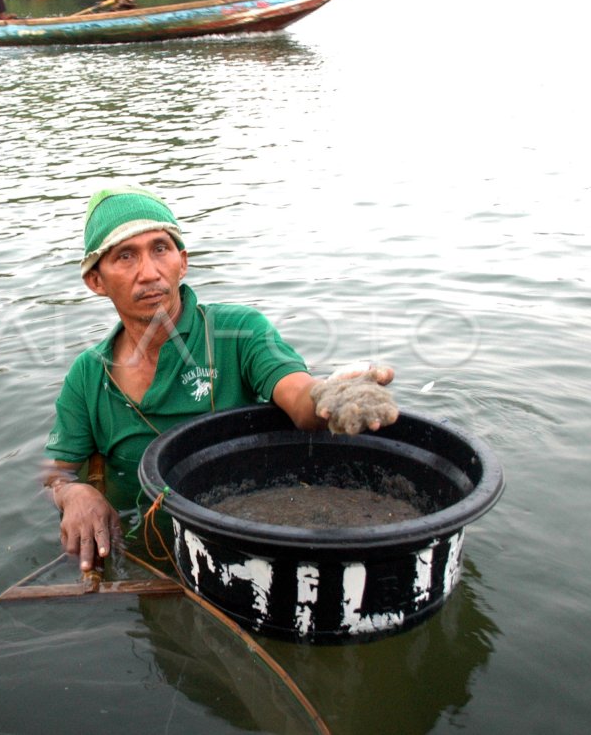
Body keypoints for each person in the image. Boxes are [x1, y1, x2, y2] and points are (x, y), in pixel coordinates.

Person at [42, 187, 398, 572]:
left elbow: (298, 395)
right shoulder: (88, 374)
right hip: (150, 556)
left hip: (245, 549)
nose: (149, 272)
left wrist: (330, 394)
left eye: (160, 249)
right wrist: (72, 493)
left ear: (182, 262)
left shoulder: (239, 333)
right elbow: (58, 471)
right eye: (125, 257)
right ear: (96, 281)